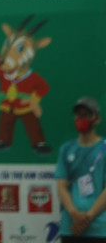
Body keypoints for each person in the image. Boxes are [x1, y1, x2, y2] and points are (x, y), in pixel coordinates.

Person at [55, 97, 106, 242]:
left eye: (86, 114)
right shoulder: (66, 149)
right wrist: (73, 213)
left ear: (97, 119)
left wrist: (88, 217)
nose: (81, 118)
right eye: (78, 114)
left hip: (99, 229)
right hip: (71, 227)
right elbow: (61, 186)